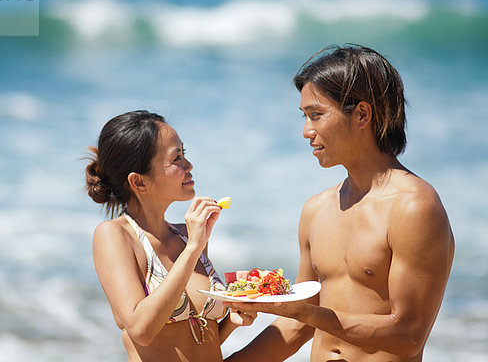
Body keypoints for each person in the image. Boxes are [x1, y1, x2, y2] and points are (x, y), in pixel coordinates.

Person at [226, 45, 455, 362]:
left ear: (362, 114)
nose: (306, 131)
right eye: (305, 117)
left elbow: (409, 335)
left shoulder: (414, 207)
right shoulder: (316, 209)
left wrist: (307, 313)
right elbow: (298, 326)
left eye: (316, 115)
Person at [87, 110, 256, 361]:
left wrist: (231, 322)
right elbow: (141, 330)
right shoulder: (114, 235)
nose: (189, 165)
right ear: (139, 183)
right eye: (177, 158)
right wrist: (194, 249)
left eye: (184, 153)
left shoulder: (187, 235)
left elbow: (194, 341)